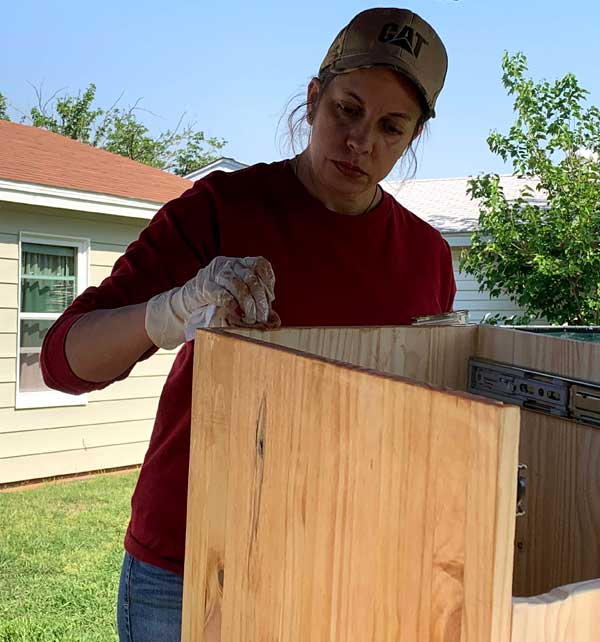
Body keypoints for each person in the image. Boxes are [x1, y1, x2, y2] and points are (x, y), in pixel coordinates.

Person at [39, 7, 455, 642]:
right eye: (347, 109)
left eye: (391, 128)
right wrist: (171, 310)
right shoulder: (218, 210)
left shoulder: (425, 256)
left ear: (410, 139)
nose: (361, 141)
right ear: (314, 99)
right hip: (189, 557)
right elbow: (64, 362)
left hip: (341, 559)